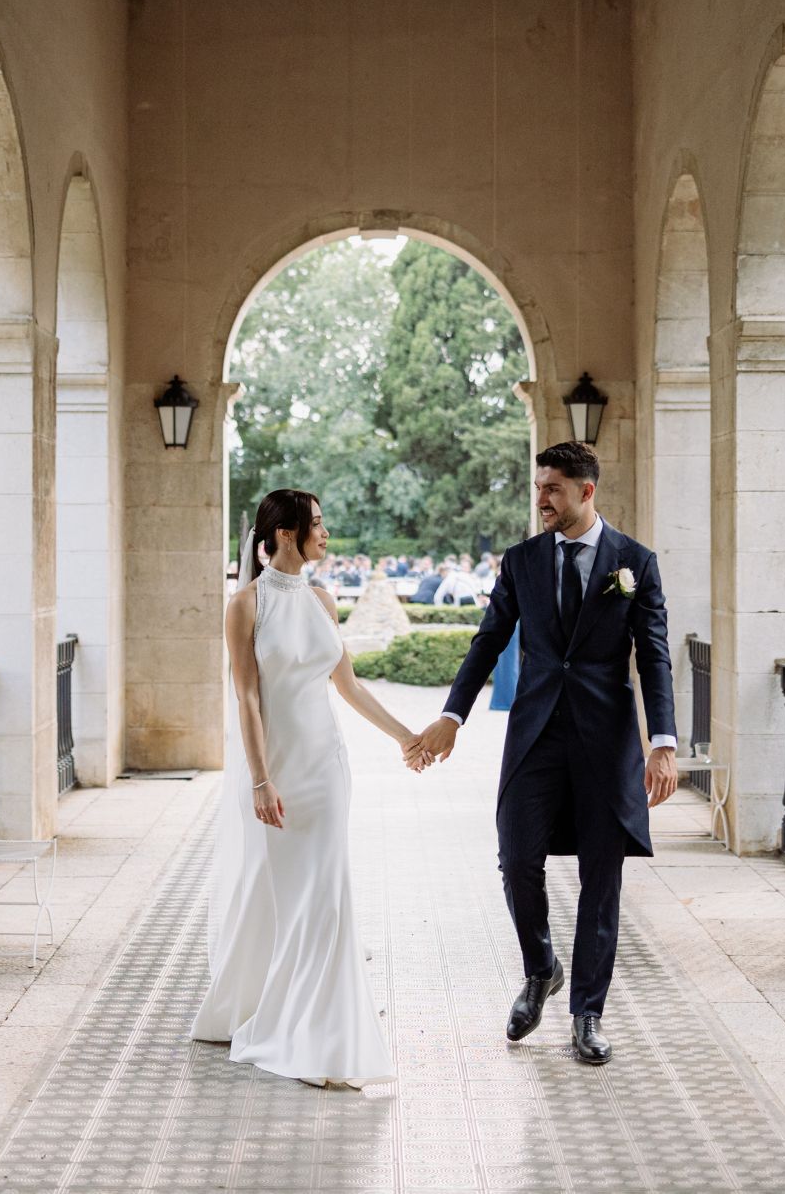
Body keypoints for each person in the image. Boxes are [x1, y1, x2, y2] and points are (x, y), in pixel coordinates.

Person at [412, 442, 677, 1066]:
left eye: (553, 488)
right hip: (533, 736)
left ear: (587, 492)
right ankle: (541, 968)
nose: (541, 500)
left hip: (606, 741)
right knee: (517, 857)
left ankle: (588, 1014)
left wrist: (661, 743)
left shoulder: (634, 562)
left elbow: (656, 655)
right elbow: (488, 641)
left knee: (601, 879)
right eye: (538, 487)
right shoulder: (522, 561)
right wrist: (453, 716)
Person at [193, 488, 432, 1089]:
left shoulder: (324, 601)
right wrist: (260, 778)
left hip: (327, 770)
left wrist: (409, 737)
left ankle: (325, 1038)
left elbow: (348, 687)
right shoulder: (245, 606)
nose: (326, 534)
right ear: (280, 535)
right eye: (316, 525)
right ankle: (290, 1025)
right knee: (290, 898)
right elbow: (246, 698)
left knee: (326, 899)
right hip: (279, 771)